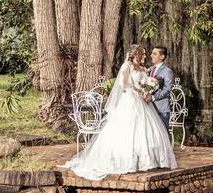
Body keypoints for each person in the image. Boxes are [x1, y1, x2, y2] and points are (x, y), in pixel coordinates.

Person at [64, 44, 177, 180]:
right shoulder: (127, 66)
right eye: (144, 53)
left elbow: (151, 85)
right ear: (136, 54)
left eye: (149, 54)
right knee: (126, 130)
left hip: (144, 103)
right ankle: (123, 160)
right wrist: (137, 90)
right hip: (129, 100)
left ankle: (147, 161)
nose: (146, 56)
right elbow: (123, 84)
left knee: (144, 130)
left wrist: (147, 89)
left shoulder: (144, 69)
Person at [144, 46, 174, 130]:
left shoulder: (167, 71)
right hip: (149, 108)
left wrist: (153, 97)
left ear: (162, 57)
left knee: (163, 134)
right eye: (152, 53)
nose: (151, 55)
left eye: (154, 54)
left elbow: (167, 90)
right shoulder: (149, 70)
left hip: (161, 109)